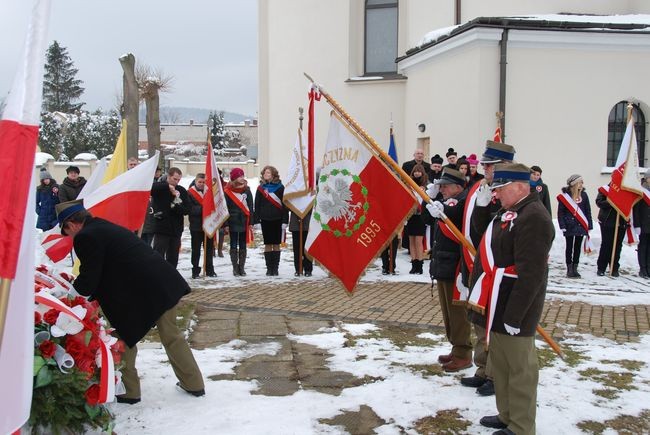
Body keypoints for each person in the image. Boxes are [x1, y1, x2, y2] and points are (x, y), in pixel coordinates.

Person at [55, 199, 205, 404]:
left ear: (71, 225)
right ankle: (193, 384)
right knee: (171, 336)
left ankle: (129, 390)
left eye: (67, 232)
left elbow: (89, 277)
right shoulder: (101, 226)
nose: (69, 237)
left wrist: (69, 297)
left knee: (122, 336)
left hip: (144, 290)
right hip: (162, 282)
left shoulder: (86, 236)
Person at [473, 163, 554, 435]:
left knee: (520, 370)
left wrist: (515, 315)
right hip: (499, 300)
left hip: (516, 307)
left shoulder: (534, 216)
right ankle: (507, 415)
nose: (495, 195)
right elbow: (482, 239)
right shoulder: (512, 211)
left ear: (520, 187)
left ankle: (521, 426)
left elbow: (531, 274)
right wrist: (484, 209)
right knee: (503, 366)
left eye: (500, 189)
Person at [460, 139, 516, 397]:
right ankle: (482, 369)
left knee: (495, 325)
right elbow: (479, 233)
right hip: (483, 267)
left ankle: (495, 375)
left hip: (502, 271)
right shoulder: (484, 189)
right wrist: (482, 209)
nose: (484, 168)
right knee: (480, 321)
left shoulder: (514, 192)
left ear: (504, 165)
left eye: (489, 165)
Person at [422, 168, 472, 372]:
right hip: (443, 263)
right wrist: (429, 199)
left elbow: (452, 215)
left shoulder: (461, 202)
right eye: (440, 186)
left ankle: (463, 352)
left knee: (457, 313)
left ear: (458, 187)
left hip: (454, 266)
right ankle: (456, 347)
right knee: (448, 313)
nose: (441, 189)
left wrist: (439, 206)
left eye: (445, 186)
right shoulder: (447, 201)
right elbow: (428, 219)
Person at [151, 167, 190, 268]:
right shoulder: (160, 187)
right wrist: (167, 186)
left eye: (178, 180)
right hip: (162, 227)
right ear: (168, 176)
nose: (176, 182)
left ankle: (171, 277)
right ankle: (156, 276)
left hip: (176, 229)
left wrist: (175, 204)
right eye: (174, 179)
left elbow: (186, 210)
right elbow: (151, 189)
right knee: (158, 255)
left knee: (173, 257)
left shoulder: (181, 190)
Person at [254, 165, 289, 276]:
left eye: (268, 172)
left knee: (276, 244)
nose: (266, 174)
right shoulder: (260, 188)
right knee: (268, 244)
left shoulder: (280, 187)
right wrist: (257, 220)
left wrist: (285, 221)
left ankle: (275, 268)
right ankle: (269, 269)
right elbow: (257, 205)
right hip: (265, 220)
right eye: (265, 172)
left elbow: (284, 206)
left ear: (273, 174)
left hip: (277, 219)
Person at [557, 174, 593, 278]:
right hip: (569, 225)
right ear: (574, 184)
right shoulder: (565, 196)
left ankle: (575, 268)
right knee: (569, 247)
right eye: (580, 182)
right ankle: (569, 268)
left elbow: (587, 211)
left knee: (577, 247)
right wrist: (562, 225)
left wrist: (589, 225)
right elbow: (561, 212)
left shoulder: (584, 195)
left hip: (581, 225)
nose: (582, 184)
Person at [224, 167, 254, 276]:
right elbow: (225, 208)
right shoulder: (227, 191)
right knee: (233, 244)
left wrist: (251, 221)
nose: (242, 178)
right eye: (239, 176)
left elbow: (250, 206)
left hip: (244, 221)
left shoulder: (247, 190)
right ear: (234, 178)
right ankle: (235, 267)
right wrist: (226, 224)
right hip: (232, 221)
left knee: (242, 244)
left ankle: (241, 267)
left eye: (242, 176)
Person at [595, 185, 629, 277]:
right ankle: (601, 267)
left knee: (617, 245)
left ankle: (614, 268)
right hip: (607, 221)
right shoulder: (605, 189)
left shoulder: (626, 190)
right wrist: (612, 202)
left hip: (621, 221)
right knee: (607, 244)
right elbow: (599, 202)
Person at [187, 173, 216, 279]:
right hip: (196, 225)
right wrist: (204, 208)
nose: (201, 184)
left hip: (209, 224)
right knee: (196, 249)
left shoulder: (209, 193)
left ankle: (209, 269)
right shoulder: (190, 193)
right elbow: (190, 209)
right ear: (195, 181)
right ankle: (195, 270)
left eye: (204, 182)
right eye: (199, 182)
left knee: (209, 248)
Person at [406, 164, 428, 274]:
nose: (417, 173)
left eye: (419, 171)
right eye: (415, 171)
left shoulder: (426, 185)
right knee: (411, 241)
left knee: (419, 241)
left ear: (422, 173)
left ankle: (420, 264)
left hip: (420, 216)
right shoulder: (409, 184)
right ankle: (413, 263)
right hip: (411, 215)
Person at [633, 169, 650, 278]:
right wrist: (637, 225)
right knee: (643, 246)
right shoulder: (641, 191)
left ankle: (648, 268)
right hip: (643, 224)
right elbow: (636, 210)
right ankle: (642, 268)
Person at [289, 209, 313, 276]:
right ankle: (298, 269)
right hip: (295, 224)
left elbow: (314, 206)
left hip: (307, 223)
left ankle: (308, 269)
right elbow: (287, 205)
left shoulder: (310, 197)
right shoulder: (292, 197)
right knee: (297, 248)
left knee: (307, 248)